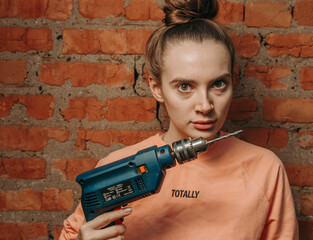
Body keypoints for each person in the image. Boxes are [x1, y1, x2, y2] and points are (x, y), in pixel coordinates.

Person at [60, 0, 299, 239]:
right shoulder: (117, 168)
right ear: (156, 87)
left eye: (218, 84)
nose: (205, 106)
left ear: (232, 81)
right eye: (185, 86)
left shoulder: (265, 170)